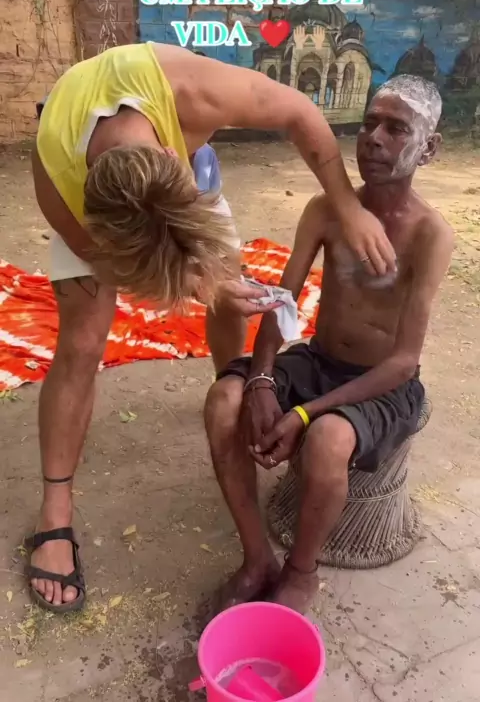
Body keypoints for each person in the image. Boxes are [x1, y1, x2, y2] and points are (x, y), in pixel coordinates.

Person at [27, 41, 396, 612]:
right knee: (80, 343)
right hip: (93, 205)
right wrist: (195, 283)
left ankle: (231, 387)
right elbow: (131, 266)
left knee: (230, 286)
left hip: (178, 166)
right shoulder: (58, 181)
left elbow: (301, 112)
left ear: (173, 158)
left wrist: (347, 206)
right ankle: (55, 509)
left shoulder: (195, 94)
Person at [204, 74, 455, 616]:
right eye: (369, 123)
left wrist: (305, 412)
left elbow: (403, 361)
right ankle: (256, 558)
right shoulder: (325, 210)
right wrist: (262, 378)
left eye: (396, 129)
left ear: (428, 148)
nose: (374, 139)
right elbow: (283, 301)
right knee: (224, 399)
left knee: (327, 439)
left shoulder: (430, 234)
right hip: (318, 361)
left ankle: (301, 571)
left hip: (381, 384)